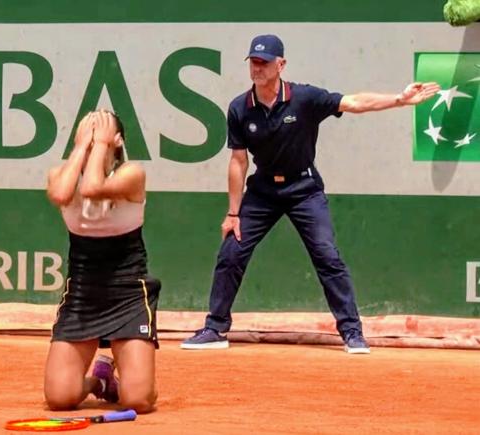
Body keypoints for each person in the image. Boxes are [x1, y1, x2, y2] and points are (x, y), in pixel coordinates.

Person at [181, 34, 440, 354]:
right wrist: (233, 213)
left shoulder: (305, 98)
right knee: (231, 252)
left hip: (304, 190)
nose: (257, 68)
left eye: (264, 62)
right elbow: (238, 161)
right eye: (253, 62)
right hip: (262, 191)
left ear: (281, 64)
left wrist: (400, 100)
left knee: (327, 255)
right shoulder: (239, 108)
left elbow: (354, 102)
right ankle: (215, 328)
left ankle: (352, 332)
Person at [44, 110, 160, 413]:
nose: (94, 142)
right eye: (86, 135)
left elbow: (92, 188)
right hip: (83, 295)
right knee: (59, 398)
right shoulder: (60, 175)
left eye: (100, 136)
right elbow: (60, 194)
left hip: (128, 294)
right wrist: (83, 147)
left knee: (138, 400)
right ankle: (99, 382)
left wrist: (98, 146)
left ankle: (132, 380)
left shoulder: (132, 174)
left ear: (117, 140)